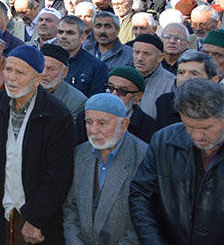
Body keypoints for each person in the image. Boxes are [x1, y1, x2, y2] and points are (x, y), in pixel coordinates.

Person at [0, 45, 75, 245]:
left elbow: (59, 175)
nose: (11, 78)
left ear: (38, 79)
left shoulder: (57, 115)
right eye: (8, 70)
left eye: (20, 72)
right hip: (1, 214)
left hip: (36, 222)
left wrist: (35, 218)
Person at [129, 80, 224, 245]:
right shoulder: (163, 140)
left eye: (206, 128)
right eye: (189, 126)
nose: (196, 136)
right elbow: (141, 196)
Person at [63, 93, 148, 245]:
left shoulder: (144, 157)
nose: (93, 130)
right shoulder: (81, 153)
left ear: (124, 125)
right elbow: (71, 206)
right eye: (89, 122)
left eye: (102, 123)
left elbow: (145, 221)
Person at [76, 66, 158, 145]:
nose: (113, 95)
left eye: (122, 91)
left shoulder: (149, 127)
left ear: (138, 96)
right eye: (110, 88)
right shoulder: (85, 116)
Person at [154, 50, 220, 128]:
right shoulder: (165, 102)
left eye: (194, 74)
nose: (185, 79)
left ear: (213, 81)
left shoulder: (220, 108)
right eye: (181, 72)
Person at [57, 15, 108, 97]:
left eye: (70, 33)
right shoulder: (45, 61)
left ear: (83, 38)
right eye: (60, 32)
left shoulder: (96, 67)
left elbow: (94, 103)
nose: (63, 36)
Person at [131, 34, 175, 120]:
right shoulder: (123, 79)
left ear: (160, 57)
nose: (139, 58)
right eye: (137, 52)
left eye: (146, 54)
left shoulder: (172, 84)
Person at [40, 43, 87, 121]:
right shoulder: (27, 89)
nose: (44, 73)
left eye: (51, 69)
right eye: (41, 67)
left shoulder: (76, 102)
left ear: (64, 72)